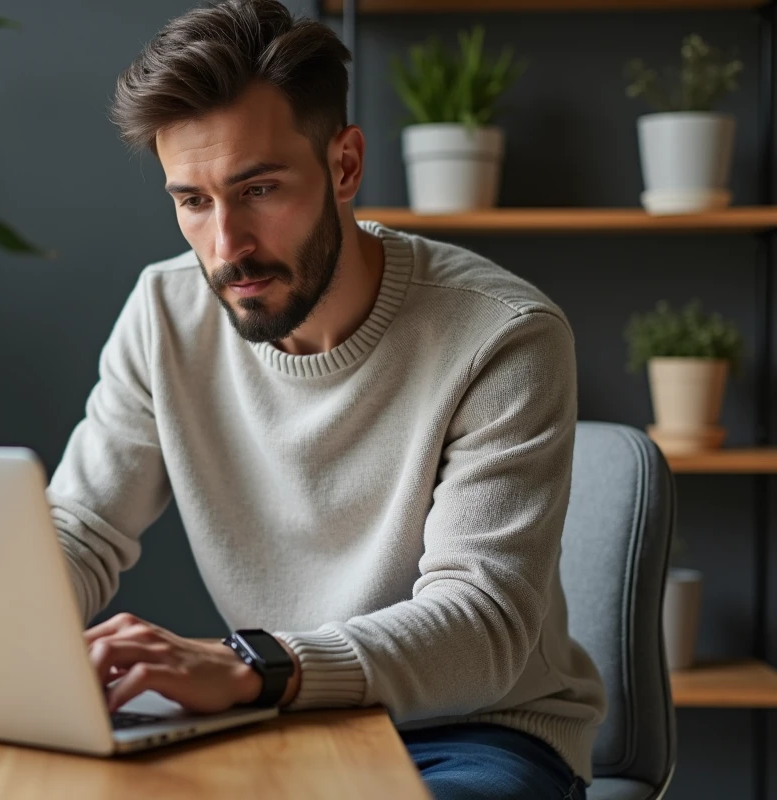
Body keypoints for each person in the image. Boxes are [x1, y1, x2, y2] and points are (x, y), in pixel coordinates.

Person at [47, 1, 606, 797]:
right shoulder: (165, 312)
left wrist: (251, 665)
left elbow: (484, 627)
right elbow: (82, 528)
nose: (226, 247)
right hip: (270, 712)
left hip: (472, 735)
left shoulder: (503, 335)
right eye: (193, 202)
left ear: (344, 166)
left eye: (260, 188)